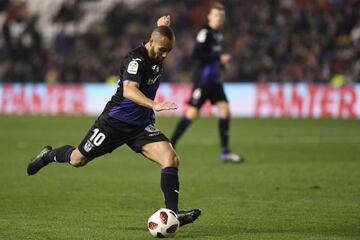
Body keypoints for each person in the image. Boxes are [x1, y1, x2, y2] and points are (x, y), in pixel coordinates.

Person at [27, 15, 201, 227]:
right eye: (162, 49)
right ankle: (49, 155)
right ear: (152, 42)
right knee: (77, 160)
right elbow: (129, 90)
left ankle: (173, 214)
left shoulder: (157, 48)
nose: (165, 55)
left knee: (171, 159)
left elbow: (160, 38)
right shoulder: (135, 60)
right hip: (114, 122)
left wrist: (162, 27)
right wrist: (154, 104)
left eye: (169, 51)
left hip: (140, 126)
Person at [171, 3, 244, 163]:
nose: (219, 18)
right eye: (216, 15)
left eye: (222, 16)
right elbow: (197, 54)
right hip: (203, 81)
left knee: (225, 111)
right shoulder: (205, 32)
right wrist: (218, 58)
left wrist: (220, 65)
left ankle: (225, 152)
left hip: (215, 80)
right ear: (210, 17)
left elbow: (210, 56)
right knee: (192, 114)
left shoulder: (218, 35)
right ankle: (171, 144)